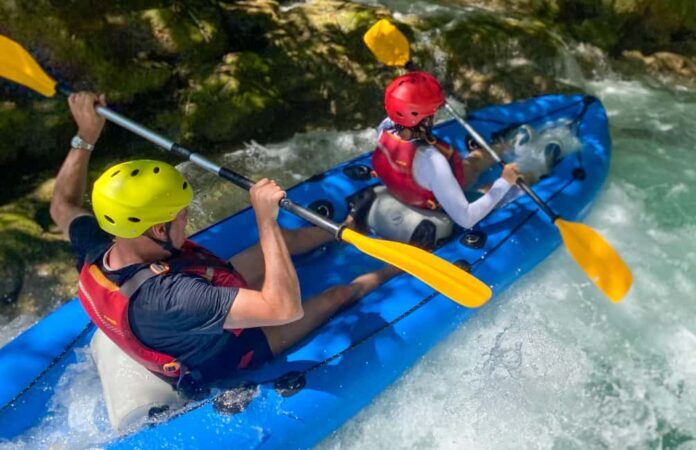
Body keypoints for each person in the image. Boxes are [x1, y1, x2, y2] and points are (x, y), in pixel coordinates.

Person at [50, 92, 397, 384]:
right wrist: (265, 221)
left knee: (283, 244)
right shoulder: (173, 297)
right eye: (182, 215)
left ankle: (347, 229)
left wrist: (86, 134)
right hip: (228, 352)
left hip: (181, 312)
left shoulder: (100, 245)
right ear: (158, 229)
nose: (187, 219)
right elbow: (283, 309)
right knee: (338, 295)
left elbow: (62, 205)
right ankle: (398, 265)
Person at [371, 71, 521, 230]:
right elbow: (466, 219)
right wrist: (505, 181)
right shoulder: (432, 161)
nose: (435, 114)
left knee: (473, 165)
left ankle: (507, 145)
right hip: (434, 205)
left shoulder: (386, 126)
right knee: (512, 182)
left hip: (411, 189)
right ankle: (531, 169)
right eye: (433, 112)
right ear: (421, 117)